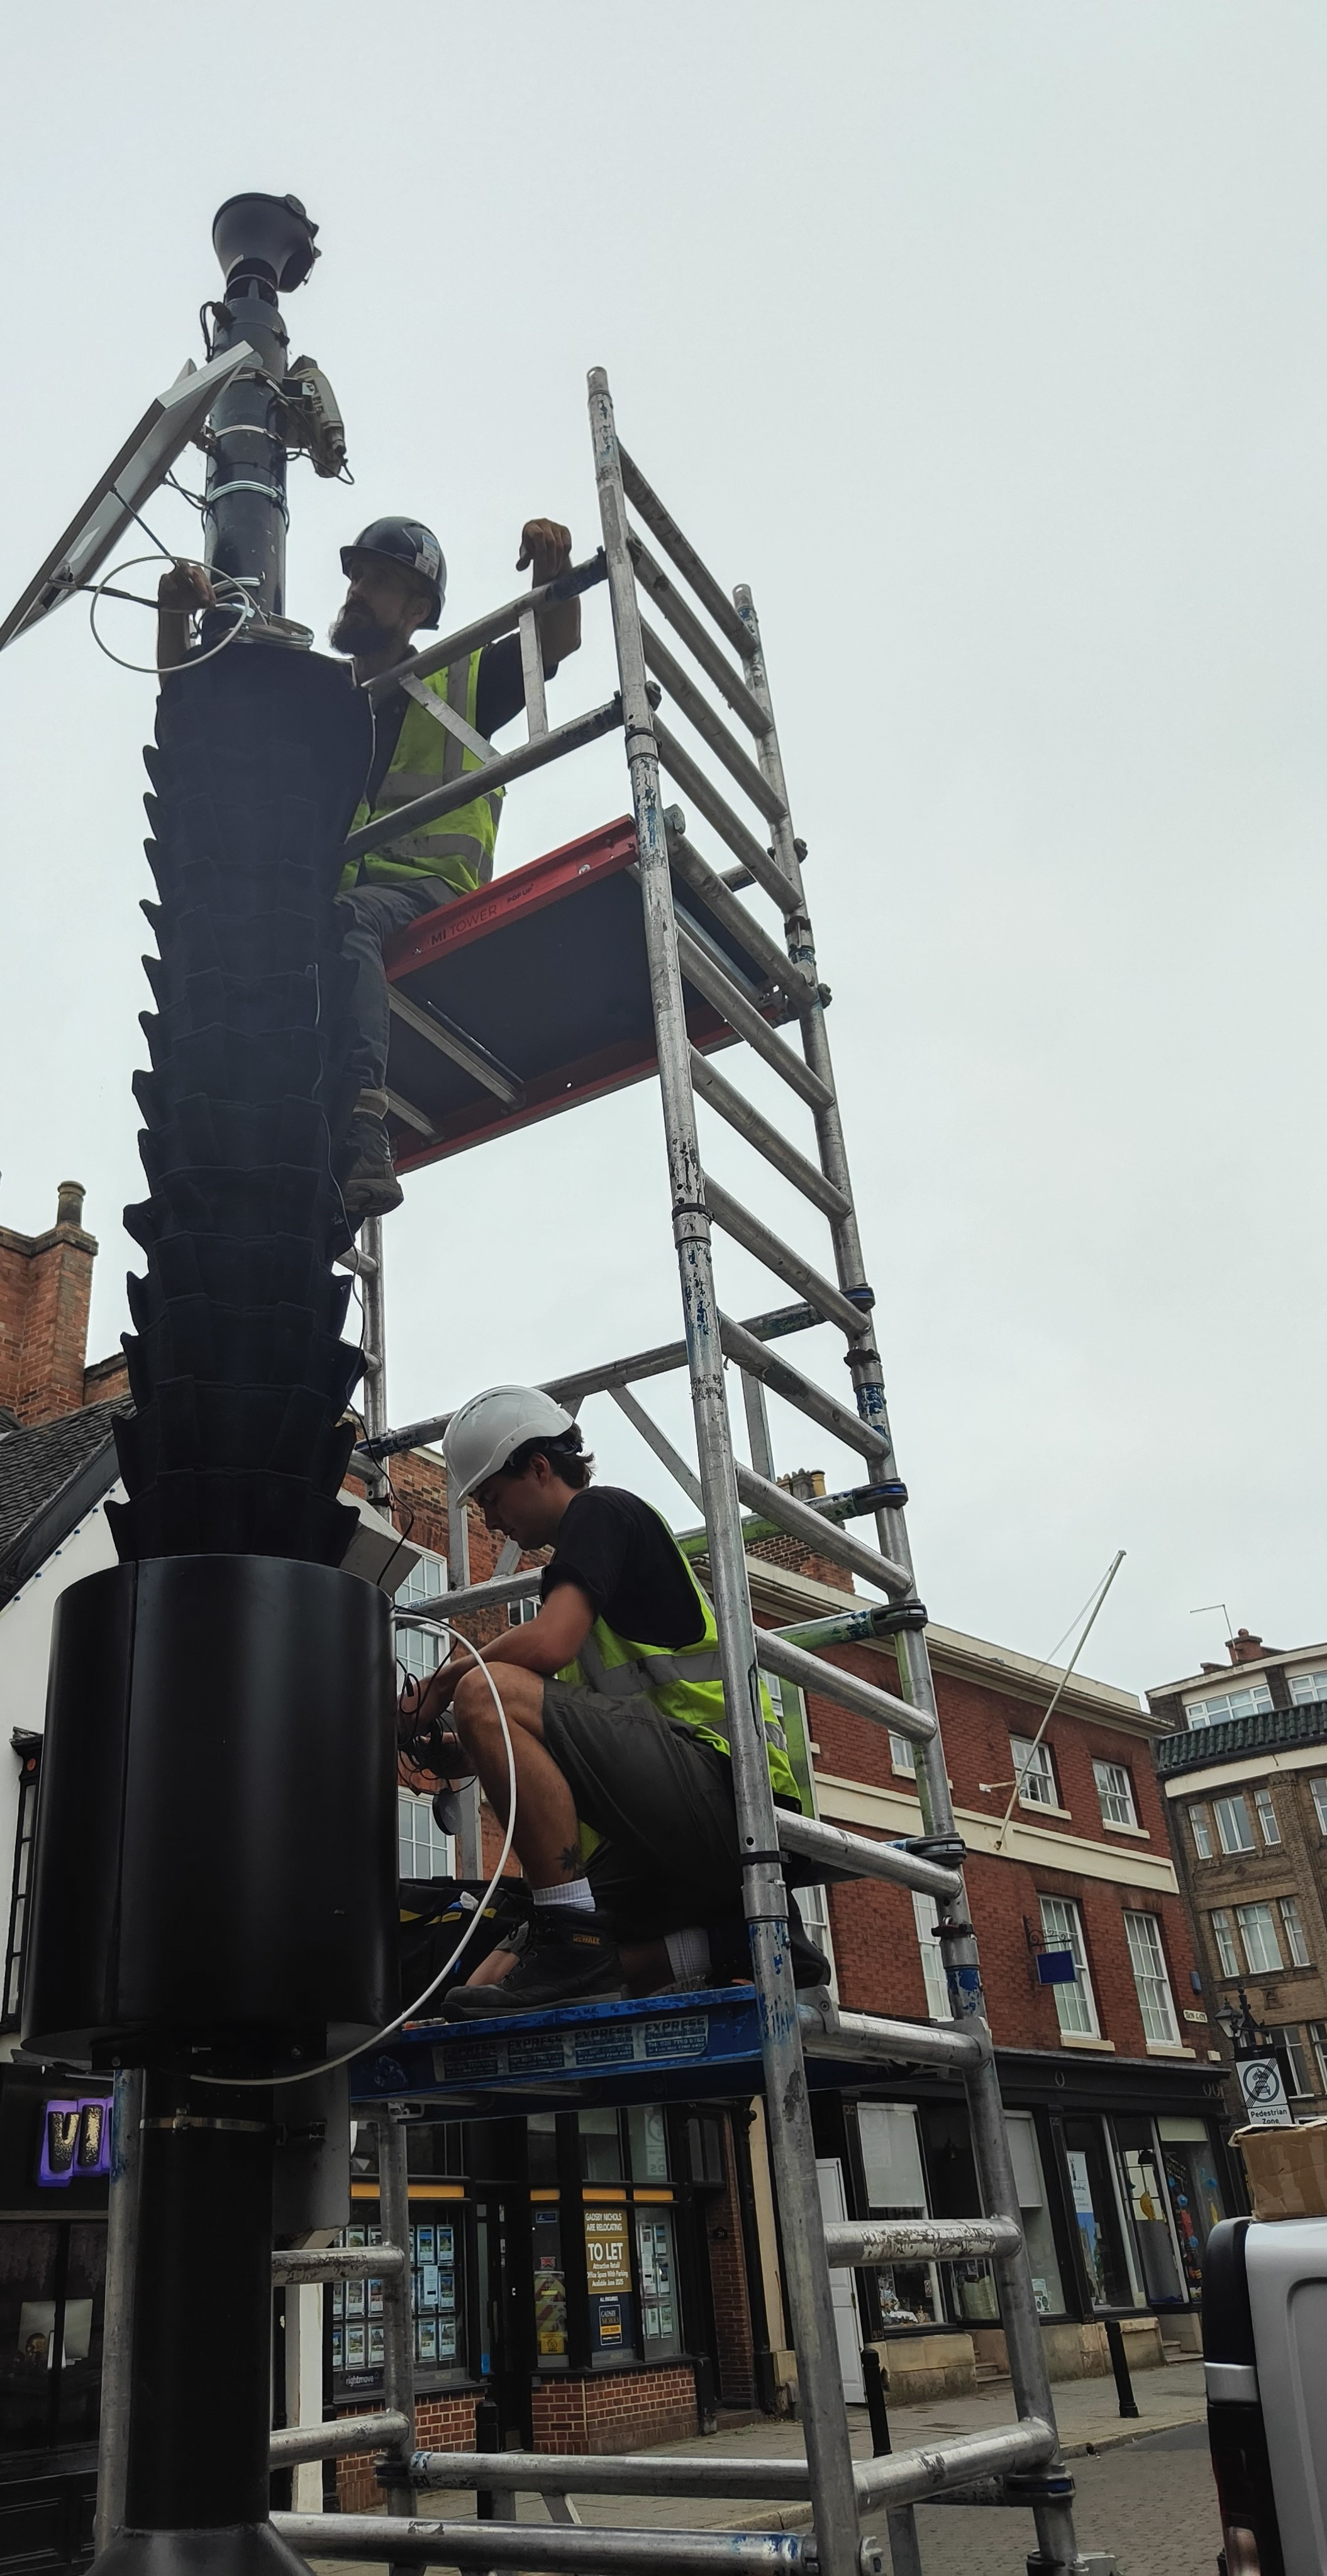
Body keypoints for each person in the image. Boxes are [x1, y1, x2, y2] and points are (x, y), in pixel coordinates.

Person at [156, 515, 582, 1220]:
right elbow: (189, 714)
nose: (358, 591)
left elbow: (555, 641)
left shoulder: (458, 677)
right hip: (340, 909)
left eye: (381, 583)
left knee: (344, 922)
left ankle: (363, 1126)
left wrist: (553, 570)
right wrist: (176, 619)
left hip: (424, 890)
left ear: (417, 613)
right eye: (357, 576)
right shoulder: (323, 703)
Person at [400, 1385, 824, 2019]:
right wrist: (454, 1754)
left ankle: (573, 1933)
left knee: (483, 1690)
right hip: (667, 1824)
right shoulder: (584, 1614)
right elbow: (560, 1733)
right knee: (498, 1980)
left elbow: (538, 1652)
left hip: (725, 1793)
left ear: (539, 1467)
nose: (489, 1522)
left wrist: (445, 1683)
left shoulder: (602, 1514)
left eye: (490, 1498)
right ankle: (720, 1943)